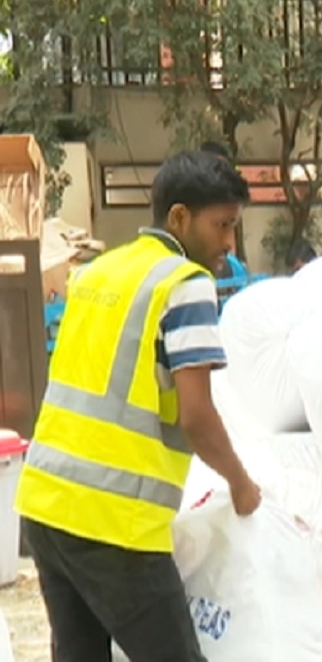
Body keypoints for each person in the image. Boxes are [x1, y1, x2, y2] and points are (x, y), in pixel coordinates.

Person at [15, 150, 262, 661]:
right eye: (222, 225)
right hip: (114, 523)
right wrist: (241, 484)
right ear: (178, 217)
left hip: (45, 504)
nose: (229, 244)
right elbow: (196, 415)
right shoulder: (185, 283)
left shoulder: (98, 273)